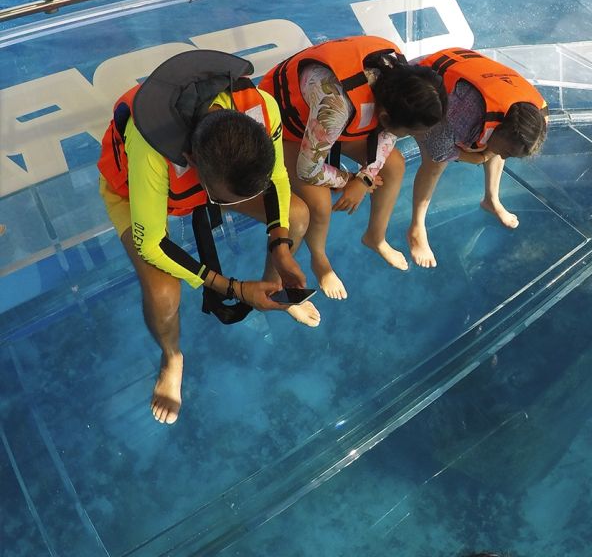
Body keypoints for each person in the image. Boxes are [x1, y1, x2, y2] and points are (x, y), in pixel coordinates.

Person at [97, 49, 319, 425]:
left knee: (296, 214)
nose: (236, 205)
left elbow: (277, 179)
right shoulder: (151, 144)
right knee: (164, 291)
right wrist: (231, 287)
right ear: (191, 160)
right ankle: (172, 356)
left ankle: (271, 286)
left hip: (214, 177)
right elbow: (152, 241)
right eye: (224, 201)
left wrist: (280, 248)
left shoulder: (262, 107)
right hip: (135, 191)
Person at [260, 36, 447, 298]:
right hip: (288, 127)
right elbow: (308, 169)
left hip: (325, 124)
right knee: (319, 202)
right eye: (410, 133)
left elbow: (389, 134)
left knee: (393, 165)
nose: (412, 137)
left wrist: (365, 179)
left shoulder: (401, 83)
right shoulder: (335, 106)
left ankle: (375, 237)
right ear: (384, 117)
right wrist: (348, 180)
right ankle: (318, 259)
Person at [406, 48, 549, 268]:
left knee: (502, 144)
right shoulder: (464, 114)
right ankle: (416, 227)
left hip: (473, 89)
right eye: (507, 154)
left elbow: (505, 142)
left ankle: (491, 200)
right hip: (419, 79)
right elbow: (438, 148)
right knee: (435, 164)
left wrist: (486, 153)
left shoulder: (536, 117)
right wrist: (476, 158)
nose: (505, 157)